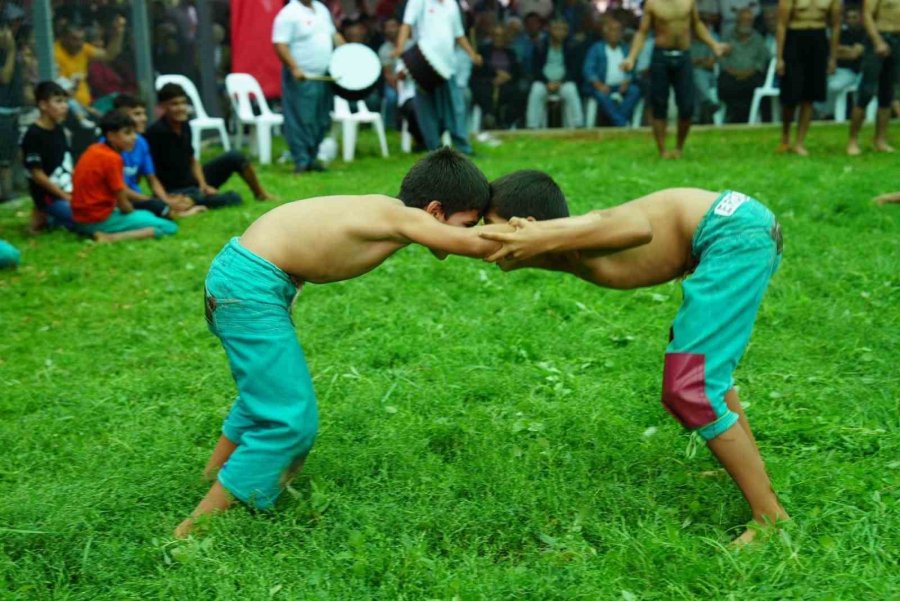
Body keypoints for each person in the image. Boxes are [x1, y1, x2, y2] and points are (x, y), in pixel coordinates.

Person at [173, 148, 508, 537]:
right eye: (467, 223)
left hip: (244, 278)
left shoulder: (387, 210)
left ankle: (214, 476)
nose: (469, 231)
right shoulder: (404, 217)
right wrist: (546, 235)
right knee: (290, 420)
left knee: (264, 395)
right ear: (434, 211)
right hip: (249, 288)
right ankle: (193, 532)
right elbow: (473, 247)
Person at [480, 171, 788, 546]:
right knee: (705, 377)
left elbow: (638, 227)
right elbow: (469, 245)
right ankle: (743, 471)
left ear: (528, 225)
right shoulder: (556, 249)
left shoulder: (586, 232)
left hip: (734, 233)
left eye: (492, 227)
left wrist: (543, 234)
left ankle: (770, 517)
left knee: (689, 387)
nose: (488, 236)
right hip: (736, 231)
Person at [621, 0, 730, 158]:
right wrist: (631, 57)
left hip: (683, 56)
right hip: (661, 56)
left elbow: (697, 24)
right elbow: (642, 32)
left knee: (687, 106)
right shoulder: (652, 4)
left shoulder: (688, 2)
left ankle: (679, 147)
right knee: (659, 105)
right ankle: (662, 150)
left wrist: (714, 45)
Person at [145, 83, 274, 209]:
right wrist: (166, 198)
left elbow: (192, 160)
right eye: (174, 104)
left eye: (183, 103)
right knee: (233, 198)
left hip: (193, 182)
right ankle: (191, 201)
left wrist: (204, 185)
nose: (180, 108)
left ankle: (260, 194)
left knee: (235, 156)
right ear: (162, 107)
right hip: (175, 190)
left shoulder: (185, 126)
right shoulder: (156, 133)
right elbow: (151, 174)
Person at [70, 111, 178, 243]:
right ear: (111, 136)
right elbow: (124, 205)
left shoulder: (93, 149)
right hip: (98, 220)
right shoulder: (112, 158)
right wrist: (133, 215)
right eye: (127, 133)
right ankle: (110, 238)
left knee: (147, 215)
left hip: (79, 220)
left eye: (134, 132)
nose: (134, 137)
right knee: (169, 226)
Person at [393, 0, 484, 153]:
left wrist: (472, 54)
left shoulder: (452, 4)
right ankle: (434, 149)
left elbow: (459, 34)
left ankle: (463, 147)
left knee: (456, 108)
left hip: (448, 65)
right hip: (423, 61)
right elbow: (406, 25)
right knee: (426, 109)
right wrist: (400, 49)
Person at [273, 0, 344, 174]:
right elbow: (279, 44)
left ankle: (312, 158)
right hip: (303, 76)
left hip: (325, 75)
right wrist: (294, 67)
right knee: (301, 118)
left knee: (320, 119)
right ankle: (301, 160)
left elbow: (334, 35)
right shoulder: (289, 13)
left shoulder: (321, 9)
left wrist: (349, 54)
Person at [111, 94, 204, 219]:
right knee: (158, 213)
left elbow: (152, 179)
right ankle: (178, 212)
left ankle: (182, 203)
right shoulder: (108, 147)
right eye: (137, 114)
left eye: (144, 114)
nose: (144, 118)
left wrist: (165, 198)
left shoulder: (141, 142)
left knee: (192, 193)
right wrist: (161, 201)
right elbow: (120, 189)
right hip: (118, 201)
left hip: (138, 198)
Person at [775, 0, 841, 156]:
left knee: (810, 95)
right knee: (791, 95)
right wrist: (779, 58)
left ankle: (799, 142)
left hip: (818, 39)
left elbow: (836, 25)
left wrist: (832, 57)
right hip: (795, 38)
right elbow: (781, 24)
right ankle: (785, 137)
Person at [20, 81, 76, 234]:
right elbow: (37, 175)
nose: (64, 106)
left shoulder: (60, 130)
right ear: (43, 105)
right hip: (50, 197)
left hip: (69, 192)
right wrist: (64, 196)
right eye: (58, 101)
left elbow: (67, 164)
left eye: (65, 101)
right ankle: (45, 216)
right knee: (83, 216)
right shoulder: (33, 135)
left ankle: (50, 219)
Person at [847, 0, 899, 156]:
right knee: (866, 91)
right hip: (880, 37)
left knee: (887, 92)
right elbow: (867, 15)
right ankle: (853, 140)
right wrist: (877, 41)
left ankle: (880, 140)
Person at [54, 18, 126, 108]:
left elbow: (108, 55)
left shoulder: (83, 49)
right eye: (74, 39)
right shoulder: (54, 54)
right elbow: (65, 94)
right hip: (68, 108)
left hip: (87, 105)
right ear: (63, 38)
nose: (79, 44)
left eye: (81, 39)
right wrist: (91, 112)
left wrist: (118, 34)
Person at [526, 19, 584, 128]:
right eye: (557, 29)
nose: (560, 32)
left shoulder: (572, 46)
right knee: (536, 90)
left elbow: (574, 70)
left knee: (571, 90)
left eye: (564, 30)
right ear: (550, 30)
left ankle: (578, 125)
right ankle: (532, 126)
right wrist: (547, 82)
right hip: (544, 82)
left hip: (564, 82)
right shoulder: (540, 46)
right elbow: (535, 70)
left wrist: (560, 82)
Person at [584, 18, 641, 127]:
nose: (616, 33)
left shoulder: (625, 49)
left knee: (635, 91)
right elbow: (588, 70)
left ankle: (618, 120)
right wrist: (598, 84)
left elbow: (632, 69)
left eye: (618, 30)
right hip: (602, 86)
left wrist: (627, 81)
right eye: (612, 30)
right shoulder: (597, 48)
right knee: (601, 95)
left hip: (621, 86)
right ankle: (622, 123)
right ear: (605, 33)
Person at [718, 8, 771, 123]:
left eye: (749, 20)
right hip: (731, 75)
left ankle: (765, 122)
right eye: (743, 20)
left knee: (756, 85)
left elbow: (761, 62)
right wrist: (734, 72)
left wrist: (747, 73)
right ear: (737, 21)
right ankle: (734, 119)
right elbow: (721, 60)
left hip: (752, 76)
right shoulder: (727, 38)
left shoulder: (759, 39)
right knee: (726, 85)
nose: (746, 23)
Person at [472, 24, 525, 129]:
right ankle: (489, 117)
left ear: (505, 38)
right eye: (496, 35)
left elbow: (517, 71)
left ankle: (507, 121)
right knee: (483, 89)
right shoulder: (483, 50)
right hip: (487, 81)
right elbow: (479, 69)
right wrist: (496, 74)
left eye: (501, 36)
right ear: (491, 37)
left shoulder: (511, 53)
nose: (498, 38)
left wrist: (507, 77)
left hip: (507, 83)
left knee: (518, 92)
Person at [817, 6, 865, 119]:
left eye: (854, 17)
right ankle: (822, 112)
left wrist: (840, 50)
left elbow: (855, 54)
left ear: (860, 18)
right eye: (848, 17)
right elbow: (830, 51)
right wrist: (846, 50)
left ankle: (827, 113)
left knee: (834, 86)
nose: (851, 20)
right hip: (835, 69)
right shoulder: (841, 33)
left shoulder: (865, 34)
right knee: (815, 82)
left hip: (854, 71)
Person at [0, 5, 24, 201]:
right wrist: (10, 51)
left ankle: (10, 191)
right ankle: (6, 195)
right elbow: (4, 77)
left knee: (12, 153)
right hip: (2, 110)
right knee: (4, 160)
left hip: (13, 107)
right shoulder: (6, 52)